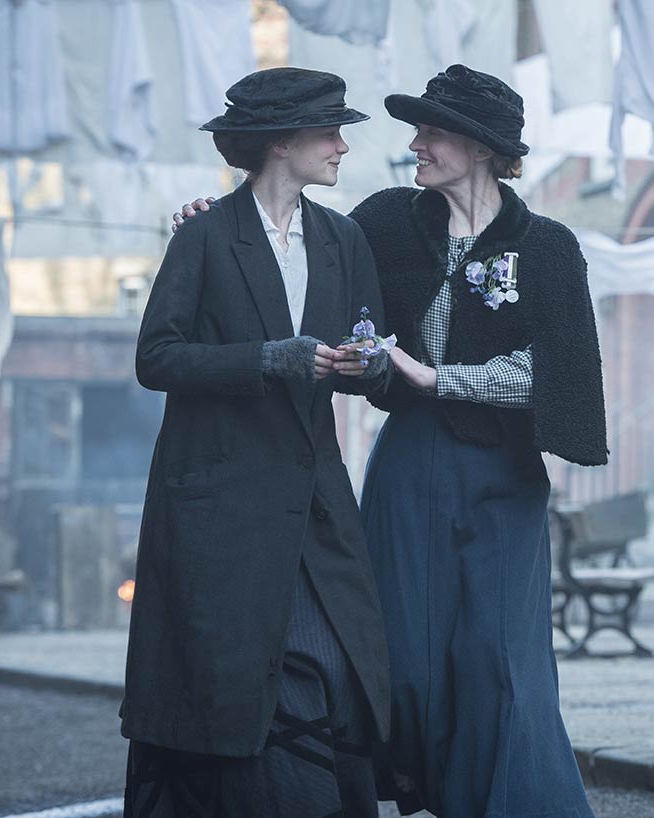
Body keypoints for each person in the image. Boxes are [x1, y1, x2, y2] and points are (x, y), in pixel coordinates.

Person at [177, 63, 608, 818]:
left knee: (500, 659)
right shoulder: (381, 221)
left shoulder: (546, 247)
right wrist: (220, 225)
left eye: (432, 132)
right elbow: (304, 256)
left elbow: (560, 377)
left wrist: (439, 378)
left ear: (481, 147)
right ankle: (421, 789)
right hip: (408, 465)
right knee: (403, 654)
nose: (415, 145)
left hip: (504, 476)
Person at [122, 67, 392, 818]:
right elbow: (156, 359)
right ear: (280, 142)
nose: (342, 146)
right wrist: (268, 359)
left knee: (335, 662)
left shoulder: (343, 238)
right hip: (220, 509)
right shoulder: (205, 235)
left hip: (314, 505)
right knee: (234, 682)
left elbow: (368, 352)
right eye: (329, 131)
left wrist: (366, 366)